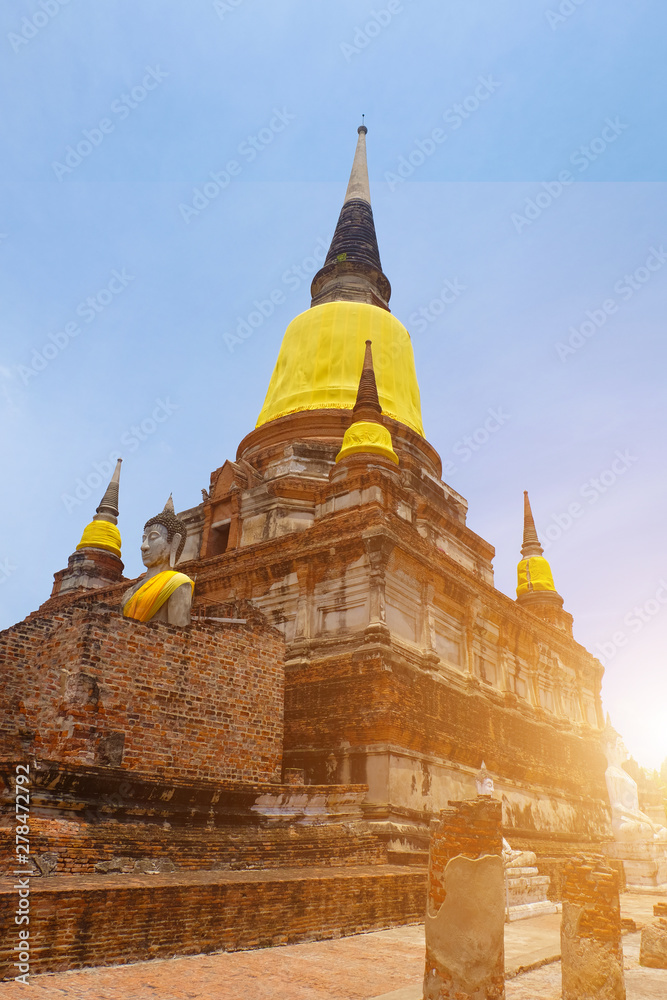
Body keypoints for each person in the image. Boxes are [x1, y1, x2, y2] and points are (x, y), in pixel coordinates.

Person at [122, 496, 194, 626]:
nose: (144, 546)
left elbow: (177, 636)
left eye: (153, 537)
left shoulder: (178, 584)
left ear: (174, 543)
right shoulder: (130, 591)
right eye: (143, 538)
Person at [603, 720, 667, 842]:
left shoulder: (624, 774)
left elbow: (634, 809)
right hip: (622, 825)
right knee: (647, 830)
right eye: (621, 746)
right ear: (610, 748)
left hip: (635, 822)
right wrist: (646, 821)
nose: (626, 751)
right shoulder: (611, 772)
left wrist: (648, 820)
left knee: (664, 833)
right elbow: (616, 807)